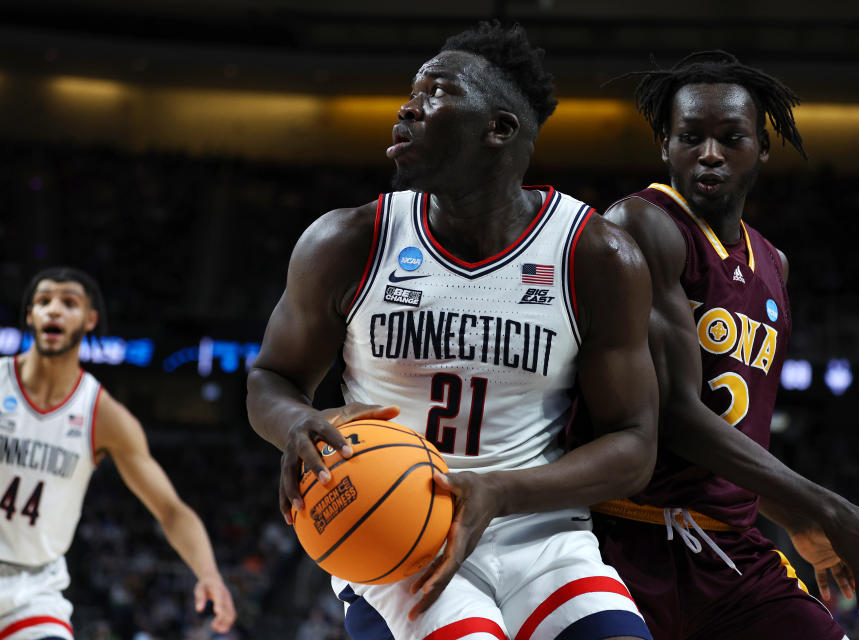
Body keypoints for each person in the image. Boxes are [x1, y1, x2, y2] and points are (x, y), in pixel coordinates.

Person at [247, 21, 660, 640]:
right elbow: (269, 379)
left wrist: (497, 489)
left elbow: (634, 445)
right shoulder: (347, 240)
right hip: (395, 530)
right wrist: (296, 422)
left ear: (499, 129)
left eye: (436, 93)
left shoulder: (594, 255)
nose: (407, 107)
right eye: (411, 93)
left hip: (539, 532)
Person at [594, 51, 859, 639]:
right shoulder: (641, 224)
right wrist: (829, 508)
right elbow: (675, 416)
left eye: (731, 137)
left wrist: (793, 517)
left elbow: (736, 428)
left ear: (762, 148)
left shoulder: (775, 264)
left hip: (732, 552)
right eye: (690, 137)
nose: (710, 153)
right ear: (664, 147)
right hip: (624, 539)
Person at [0, 267, 236, 639]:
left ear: (90, 319)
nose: (53, 310)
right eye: (43, 301)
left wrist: (209, 574)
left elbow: (171, 510)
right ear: (30, 315)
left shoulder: (102, 415)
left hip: (34, 592)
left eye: (68, 302)